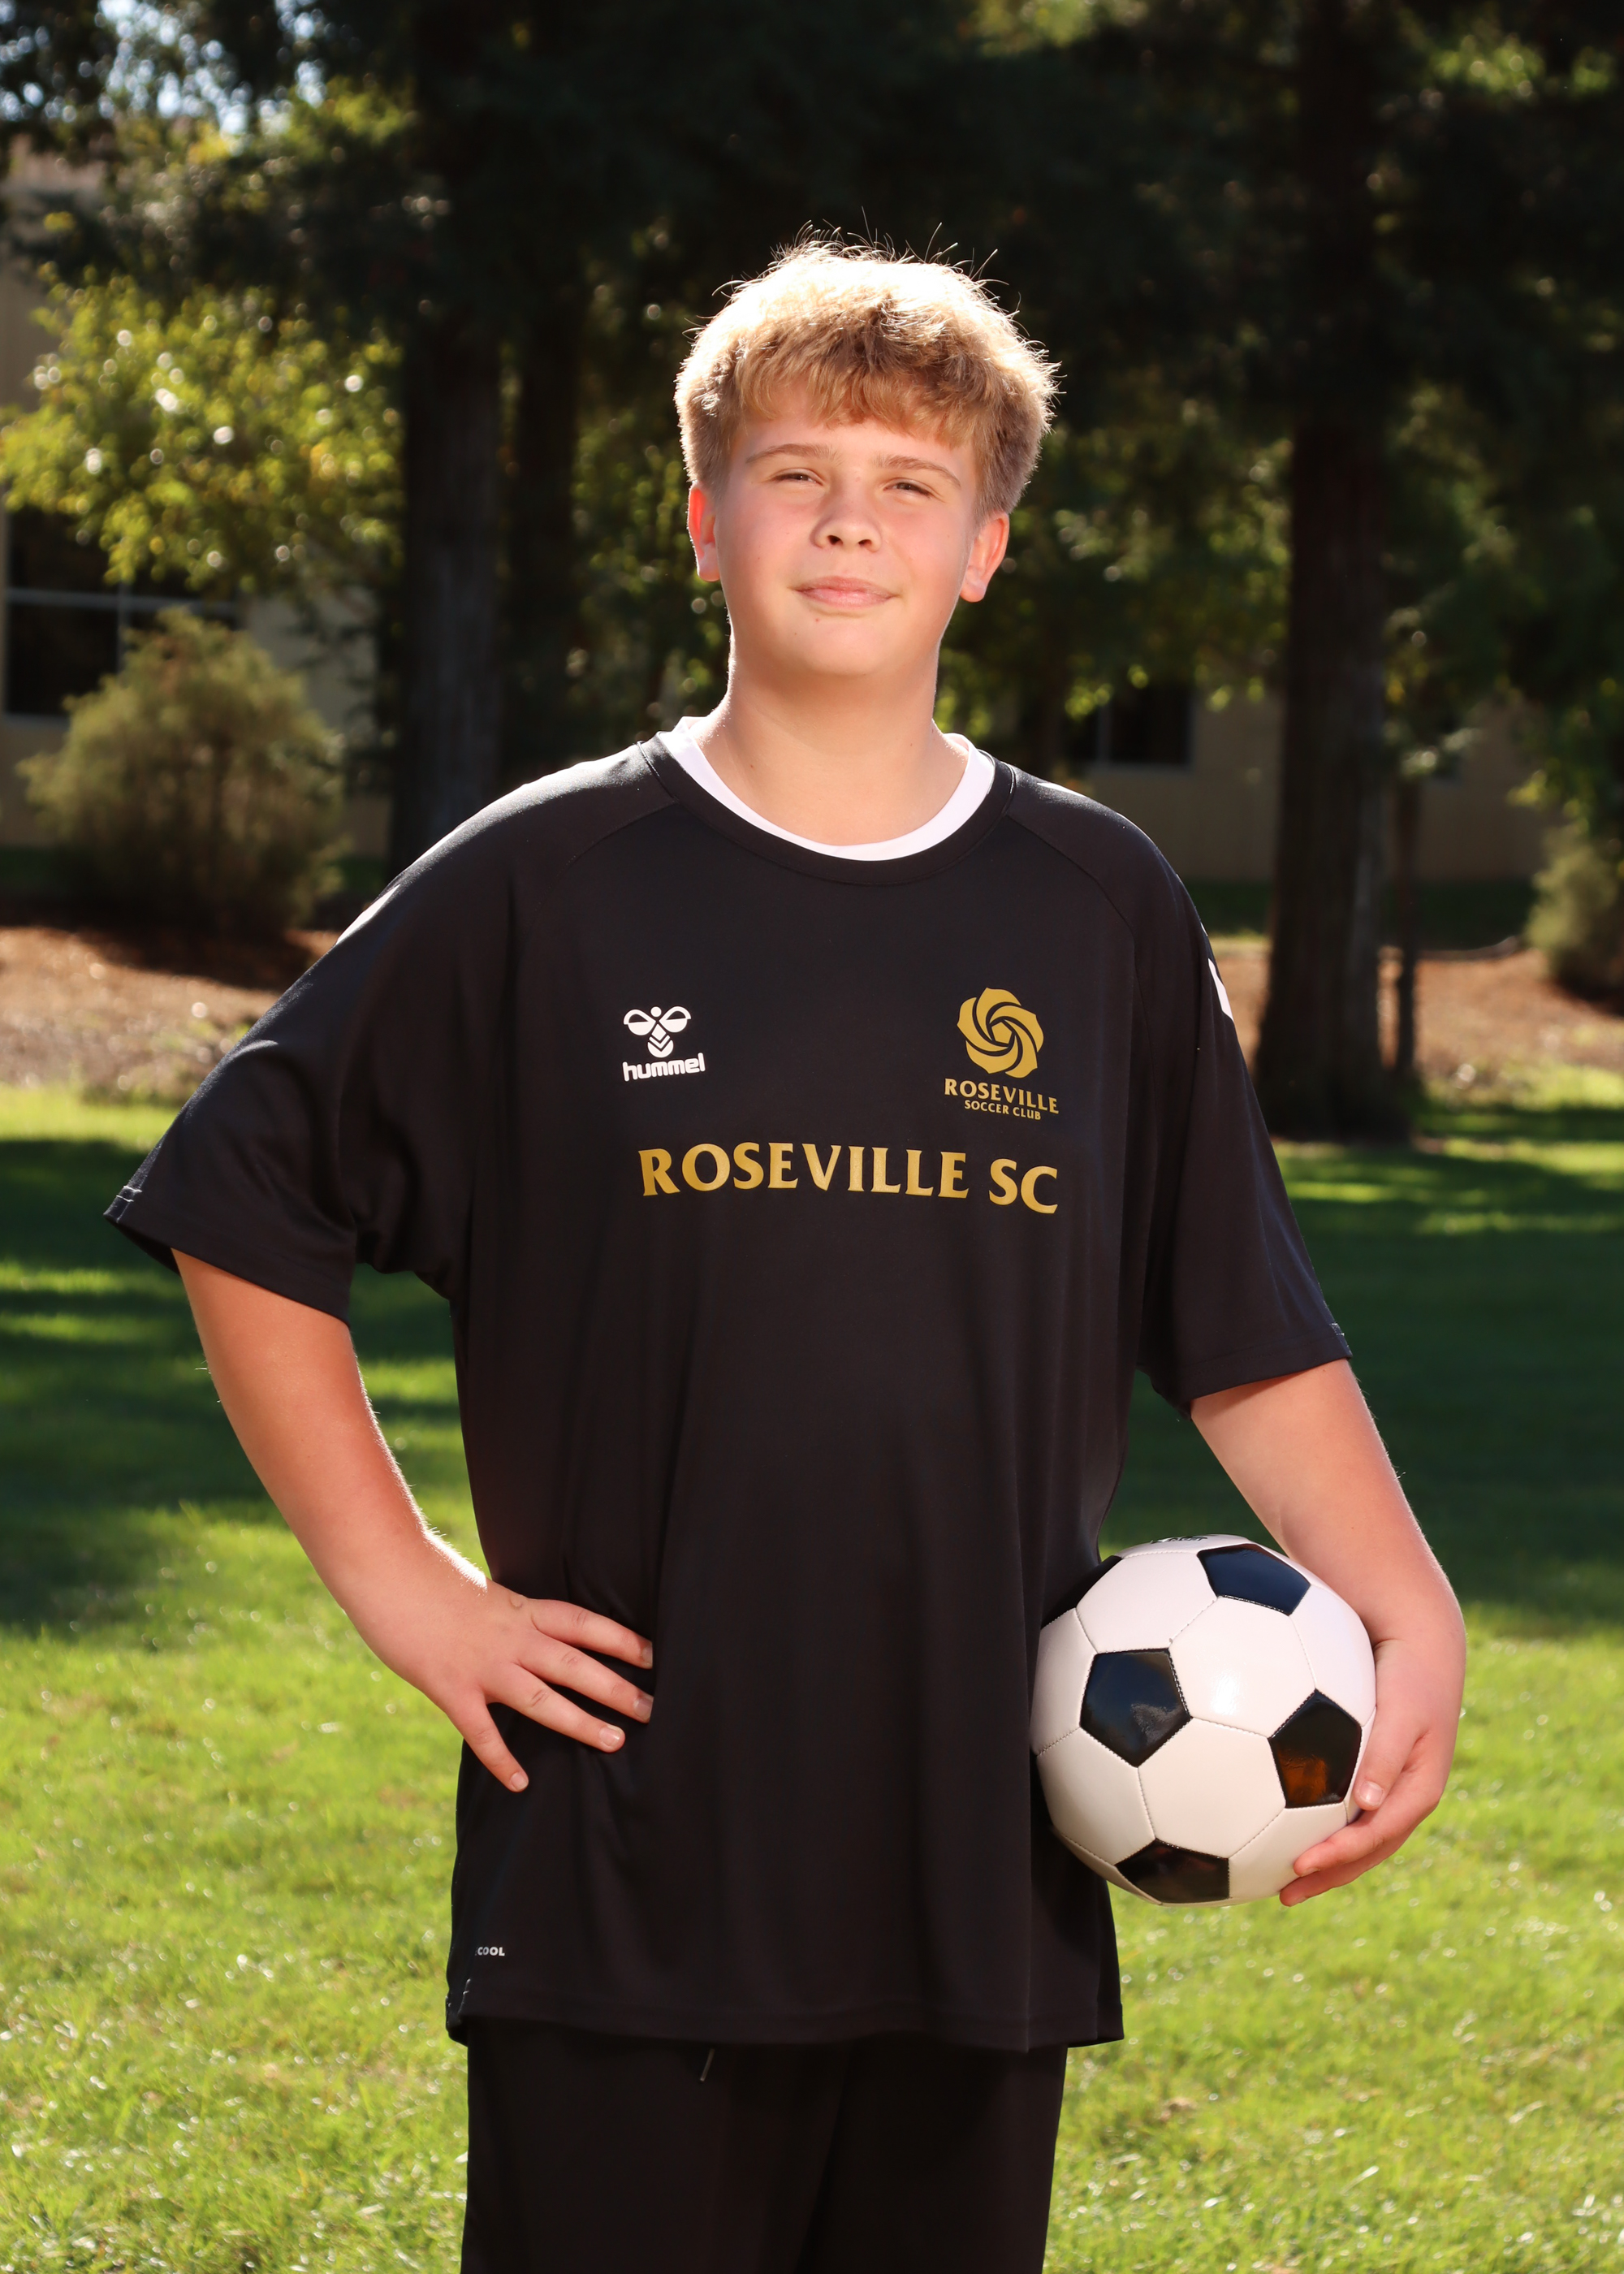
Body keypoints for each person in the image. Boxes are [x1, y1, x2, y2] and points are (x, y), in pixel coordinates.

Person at [106, 244, 1466, 2274]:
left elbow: (1237, 1319)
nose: (849, 519)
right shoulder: (548, 881)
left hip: (976, 1869)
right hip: (626, 1859)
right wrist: (407, 1587)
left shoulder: (1094, 903)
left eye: (912, 483)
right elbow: (244, 1196)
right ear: (701, 520)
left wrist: (1407, 1601)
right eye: (795, 472)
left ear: (984, 548)